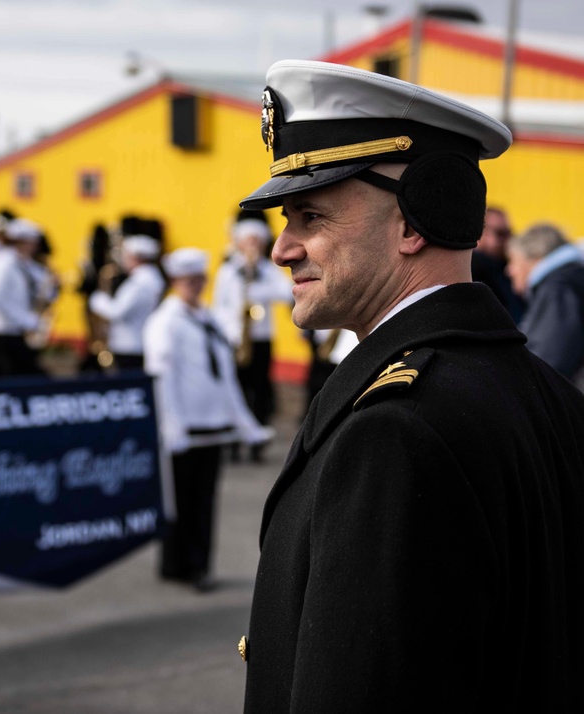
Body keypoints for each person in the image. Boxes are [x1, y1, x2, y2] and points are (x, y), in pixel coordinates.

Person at [236, 59, 584, 713]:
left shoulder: (392, 432)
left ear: (416, 220)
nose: (283, 248)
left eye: (310, 216)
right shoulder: (546, 395)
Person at [143, 247, 274, 593]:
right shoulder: (164, 322)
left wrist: (246, 423)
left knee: (203, 501)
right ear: (174, 282)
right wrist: (172, 426)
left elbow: (226, 379)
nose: (194, 286)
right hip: (183, 428)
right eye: (187, 280)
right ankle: (175, 565)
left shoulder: (210, 319)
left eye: (199, 279)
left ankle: (198, 565)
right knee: (179, 501)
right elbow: (161, 377)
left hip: (213, 426)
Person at [212, 218, 293, 448]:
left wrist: (260, 288)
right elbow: (219, 306)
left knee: (260, 387)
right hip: (236, 339)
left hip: (262, 337)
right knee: (237, 388)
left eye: (256, 242)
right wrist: (231, 330)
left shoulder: (267, 270)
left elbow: (287, 293)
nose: (252, 246)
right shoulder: (227, 271)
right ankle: (235, 438)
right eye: (248, 241)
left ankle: (259, 436)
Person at [506, 222, 584, 385]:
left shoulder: (558, 288)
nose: (509, 270)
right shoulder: (567, 281)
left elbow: (549, 362)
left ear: (533, 257)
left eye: (512, 260)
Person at [0, 217, 55, 377]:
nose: (34, 248)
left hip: (21, 330)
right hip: (6, 332)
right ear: (21, 242)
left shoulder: (25, 262)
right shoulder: (3, 263)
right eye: (32, 243)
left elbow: (44, 285)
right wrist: (27, 319)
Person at [88, 234, 164, 371]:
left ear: (134, 257)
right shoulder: (151, 278)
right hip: (137, 343)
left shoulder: (139, 282)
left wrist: (97, 300)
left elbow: (117, 311)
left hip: (130, 345)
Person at [472, 205, 524, 321]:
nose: (507, 239)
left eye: (509, 233)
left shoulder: (504, 267)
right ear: (479, 233)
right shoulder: (473, 272)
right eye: (500, 233)